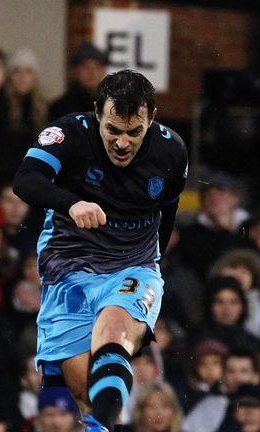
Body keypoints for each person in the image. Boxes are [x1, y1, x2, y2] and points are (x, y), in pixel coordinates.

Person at [13, 69, 188, 431]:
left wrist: (154, 266)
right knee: (87, 398)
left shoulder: (172, 150)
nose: (122, 143)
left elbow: (167, 212)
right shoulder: (69, 133)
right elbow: (26, 180)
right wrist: (71, 203)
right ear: (97, 112)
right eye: (113, 130)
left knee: (113, 336)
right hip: (67, 270)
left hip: (132, 267)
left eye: (134, 132)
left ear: (152, 118)